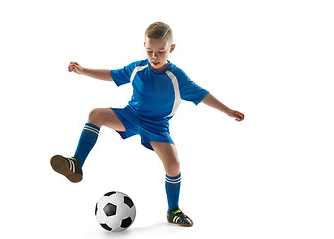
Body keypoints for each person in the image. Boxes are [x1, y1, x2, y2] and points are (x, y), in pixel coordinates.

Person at [51, 21, 244, 227]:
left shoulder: (177, 77)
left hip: (157, 126)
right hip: (130, 116)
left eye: (161, 51)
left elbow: (203, 94)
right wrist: (83, 70)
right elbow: (112, 74)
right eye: (150, 50)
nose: (154, 57)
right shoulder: (138, 68)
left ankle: (174, 211)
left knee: (173, 165)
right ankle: (76, 163)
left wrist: (228, 111)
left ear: (171, 49)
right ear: (144, 45)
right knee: (95, 114)